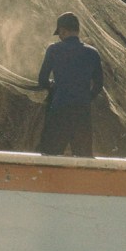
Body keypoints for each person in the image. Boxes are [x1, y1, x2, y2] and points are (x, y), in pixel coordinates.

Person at [37, 12, 104, 157]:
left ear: (62, 30)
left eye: (60, 33)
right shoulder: (92, 53)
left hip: (59, 108)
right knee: (83, 157)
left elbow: (42, 80)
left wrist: (53, 86)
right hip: (82, 111)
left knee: (51, 155)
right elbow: (99, 84)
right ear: (77, 30)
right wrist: (86, 97)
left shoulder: (53, 50)